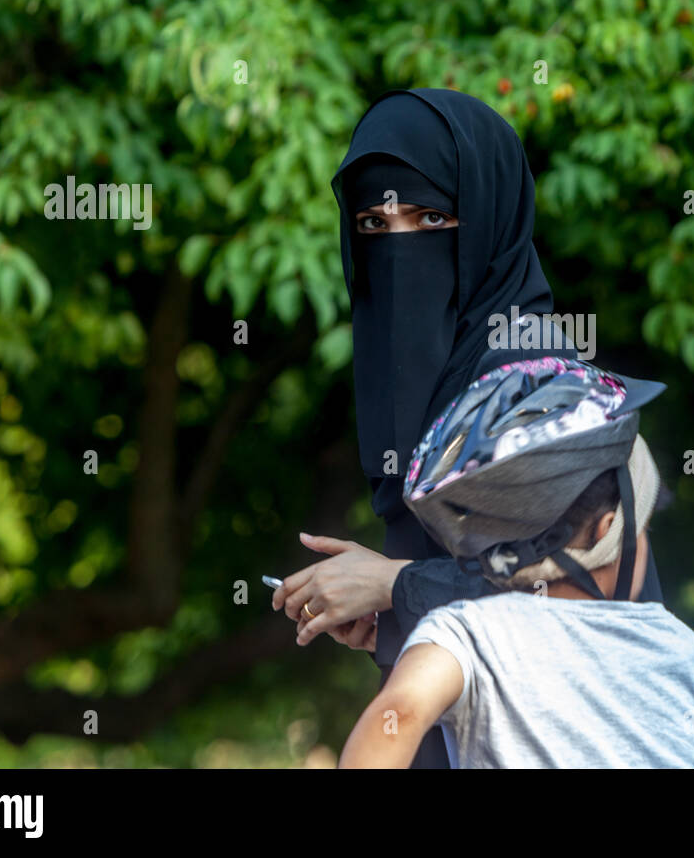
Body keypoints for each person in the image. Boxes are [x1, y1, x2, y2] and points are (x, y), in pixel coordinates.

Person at [270, 89, 667, 767]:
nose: (399, 248)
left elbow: (589, 606)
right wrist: (391, 618)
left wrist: (395, 586)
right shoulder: (436, 386)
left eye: (429, 217)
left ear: (489, 219)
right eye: (373, 225)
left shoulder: (537, 393)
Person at [337, 357, 694, 768]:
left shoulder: (469, 635)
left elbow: (398, 717)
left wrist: (420, 645)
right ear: (606, 530)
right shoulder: (678, 649)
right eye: (642, 528)